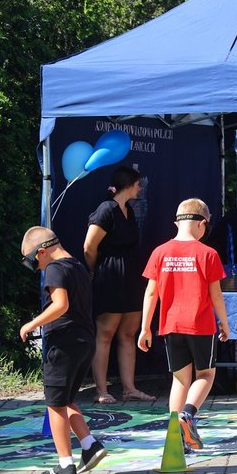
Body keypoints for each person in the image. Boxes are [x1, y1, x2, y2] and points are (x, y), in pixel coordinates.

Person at [138, 199, 231, 451]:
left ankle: (174, 437)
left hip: (170, 324)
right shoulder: (207, 253)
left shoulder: (160, 252)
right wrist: (224, 322)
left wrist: (145, 327)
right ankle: (187, 416)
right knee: (206, 374)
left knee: (179, 380)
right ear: (202, 224)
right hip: (200, 325)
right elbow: (216, 294)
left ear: (176, 222)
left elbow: (150, 293)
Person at [19, 227, 107, 474]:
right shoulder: (77, 266)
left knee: (55, 404)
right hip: (84, 341)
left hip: (65, 344)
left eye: (32, 260)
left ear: (42, 251)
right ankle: (90, 445)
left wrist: (32, 324)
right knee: (67, 399)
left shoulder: (55, 269)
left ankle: (65, 465)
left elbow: (61, 305)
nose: (35, 267)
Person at [82, 166, 154, 404]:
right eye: (137, 184)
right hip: (110, 275)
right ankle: (101, 390)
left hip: (131, 276)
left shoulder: (128, 211)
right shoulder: (106, 209)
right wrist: (94, 269)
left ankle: (129, 388)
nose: (140, 188)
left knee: (128, 333)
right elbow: (88, 246)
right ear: (128, 185)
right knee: (105, 333)